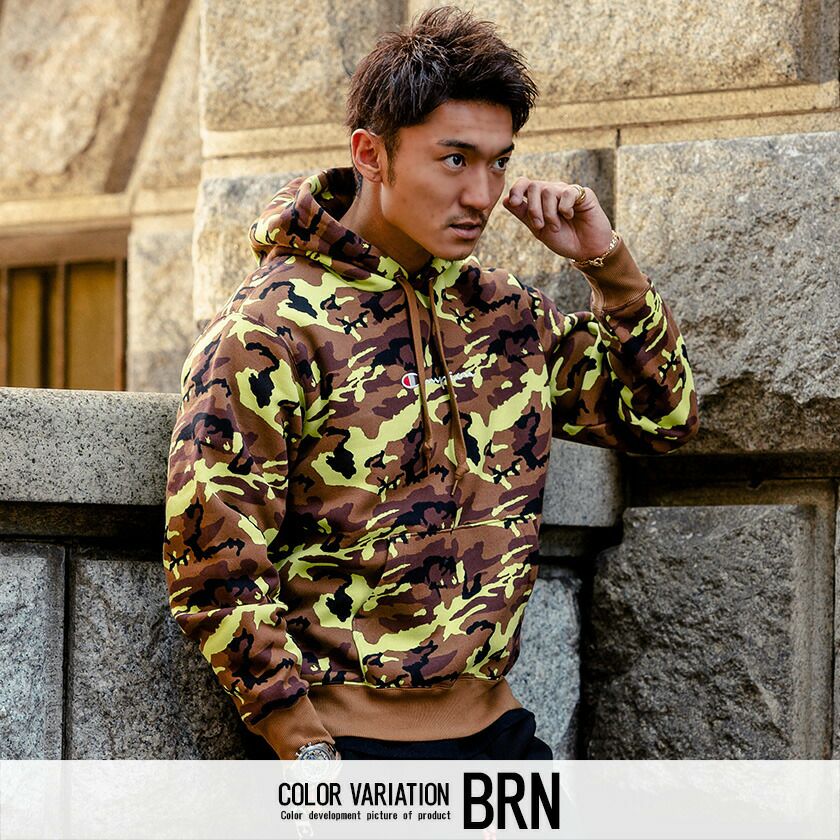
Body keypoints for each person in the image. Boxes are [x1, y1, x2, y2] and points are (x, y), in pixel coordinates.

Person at [162, 6, 698, 761]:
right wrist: (303, 747)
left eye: (499, 162)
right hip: (343, 747)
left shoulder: (507, 315)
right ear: (371, 154)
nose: (483, 194)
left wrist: (607, 263)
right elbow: (213, 557)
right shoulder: (270, 328)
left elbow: (662, 418)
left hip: (500, 740)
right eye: (455, 160)